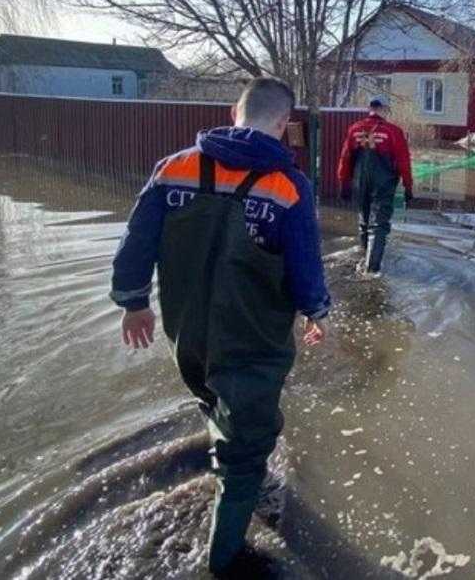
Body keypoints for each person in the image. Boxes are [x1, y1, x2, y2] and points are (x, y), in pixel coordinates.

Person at [110, 77, 330, 575]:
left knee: (210, 396)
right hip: (251, 342)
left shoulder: (175, 168)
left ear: (235, 112)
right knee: (249, 446)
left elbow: (135, 243)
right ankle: (223, 558)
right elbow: (305, 269)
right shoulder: (288, 188)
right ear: (282, 123)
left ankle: (229, 457)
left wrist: (133, 302)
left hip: (186, 334)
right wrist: (316, 312)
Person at [336, 95, 414, 275]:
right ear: (385, 109)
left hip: (360, 182)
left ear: (369, 108)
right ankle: (371, 272)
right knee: (379, 225)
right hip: (383, 183)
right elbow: (403, 161)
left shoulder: (355, 129)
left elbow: (345, 158)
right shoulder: (393, 131)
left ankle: (364, 258)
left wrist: (343, 183)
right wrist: (408, 187)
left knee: (363, 221)